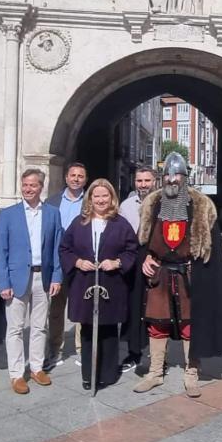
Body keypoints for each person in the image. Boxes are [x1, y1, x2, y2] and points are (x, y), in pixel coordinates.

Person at [132, 152, 222, 397]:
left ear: (185, 177)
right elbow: (143, 241)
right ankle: (156, 372)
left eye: (176, 174)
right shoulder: (152, 204)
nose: (171, 179)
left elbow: (213, 248)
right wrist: (145, 256)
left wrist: (200, 269)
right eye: (167, 174)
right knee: (157, 322)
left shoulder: (201, 205)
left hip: (189, 274)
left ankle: (191, 373)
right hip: (160, 273)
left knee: (190, 325)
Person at [60, 179, 139, 389]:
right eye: (97, 196)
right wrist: (77, 262)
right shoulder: (79, 222)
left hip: (111, 283)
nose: (101, 200)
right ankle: (89, 374)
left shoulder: (120, 224)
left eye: (105, 196)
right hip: (85, 283)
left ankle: (108, 373)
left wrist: (117, 262)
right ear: (90, 198)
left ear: (112, 198)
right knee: (87, 330)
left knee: (109, 329)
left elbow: (132, 250)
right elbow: (65, 248)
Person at [0, 169, 63, 394]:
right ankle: (16, 374)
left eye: (32, 185)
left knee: (39, 326)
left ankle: (36, 367)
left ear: (41, 187)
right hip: (16, 278)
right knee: (15, 328)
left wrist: (56, 276)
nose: (28, 189)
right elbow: (1, 250)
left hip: (42, 276)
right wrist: (3, 282)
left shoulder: (52, 214)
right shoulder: (8, 214)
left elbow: (56, 248)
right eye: (24, 185)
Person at [47, 162, 87, 366]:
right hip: (58, 263)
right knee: (55, 309)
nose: (76, 179)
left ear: (85, 179)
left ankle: (82, 349)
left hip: (81, 263)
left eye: (80, 176)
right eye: (73, 175)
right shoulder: (52, 202)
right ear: (66, 177)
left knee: (81, 308)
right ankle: (55, 349)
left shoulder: (91, 202)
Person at [117, 166, 157, 372]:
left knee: (158, 310)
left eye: (147, 181)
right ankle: (134, 352)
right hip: (134, 259)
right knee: (134, 308)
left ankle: (158, 357)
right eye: (139, 181)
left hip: (158, 261)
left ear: (155, 181)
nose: (143, 185)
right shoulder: (126, 206)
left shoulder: (164, 204)